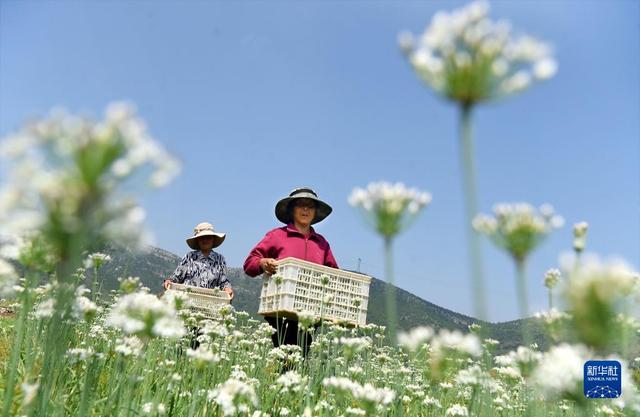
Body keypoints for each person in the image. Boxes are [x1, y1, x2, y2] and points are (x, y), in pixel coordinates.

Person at [243, 187, 338, 355]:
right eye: (301, 205)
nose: (305, 209)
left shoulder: (322, 243)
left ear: (315, 212)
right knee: (284, 357)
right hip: (280, 312)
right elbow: (250, 264)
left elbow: (333, 274)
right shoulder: (276, 235)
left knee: (301, 358)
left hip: (310, 311)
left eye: (310, 206)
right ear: (292, 209)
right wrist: (263, 263)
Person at [163, 222, 234, 300]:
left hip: (209, 302)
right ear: (197, 240)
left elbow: (223, 282)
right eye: (202, 237)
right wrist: (169, 281)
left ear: (213, 239)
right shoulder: (189, 257)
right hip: (187, 300)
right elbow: (177, 277)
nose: (205, 240)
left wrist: (227, 288)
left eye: (208, 237)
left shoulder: (219, 259)